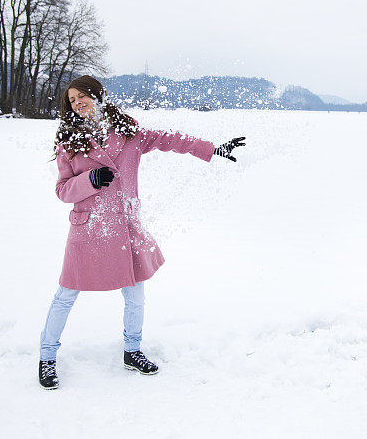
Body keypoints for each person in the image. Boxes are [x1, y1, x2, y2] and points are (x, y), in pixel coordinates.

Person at [38, 75, 245, 390]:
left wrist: (212, 148)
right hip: (88, 228)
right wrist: (90, 179)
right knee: (66, 294)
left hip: (125, 227)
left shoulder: (127, 132)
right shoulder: (69, 142)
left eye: (83, 96)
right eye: (72, 100)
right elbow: (63, 190)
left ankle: (132, 352)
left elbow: (169, 139)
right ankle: (47, 358)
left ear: (98, 96)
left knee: (135, 294)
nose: (78, 103)